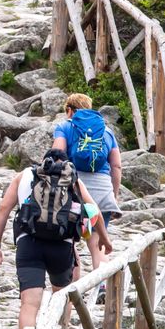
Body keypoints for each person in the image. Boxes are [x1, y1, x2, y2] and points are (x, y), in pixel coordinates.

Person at [0, 149, 113, 329]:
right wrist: (104, 239)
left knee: (29, 304)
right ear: (65, 164)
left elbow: (3, 208)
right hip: (61, 245)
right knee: (61, 298)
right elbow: (94, 211)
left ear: (43, 160)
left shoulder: (26, 175)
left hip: (28, 243)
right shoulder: (72, 179)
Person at [53, 93, 123, 274]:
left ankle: (72, 285)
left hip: (74, 188)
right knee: (98, 241)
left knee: (69, 240)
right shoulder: (106, 131)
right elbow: (116, 165)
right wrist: (113, 194)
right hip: (102, 189)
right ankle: (102, 286)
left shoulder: (64, 127)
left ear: (70, 110)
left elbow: (58, 154)